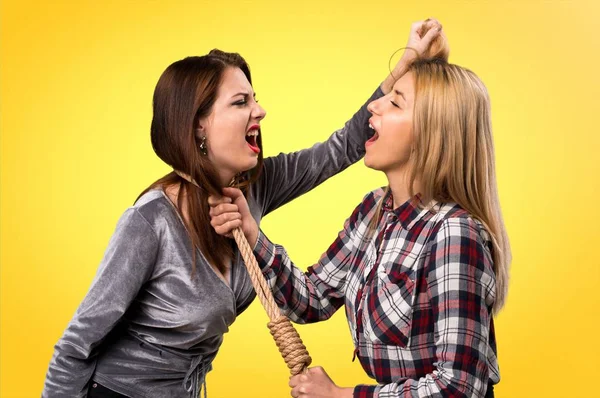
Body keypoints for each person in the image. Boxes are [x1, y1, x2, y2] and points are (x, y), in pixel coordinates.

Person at [42, 20, 444, 398]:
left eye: (256, 99)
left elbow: (339, 149)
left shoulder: (255, 188)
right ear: (198, 125)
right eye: (240, 102)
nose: (260, 111)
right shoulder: (150, 222)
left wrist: (407, 62)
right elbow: (77, 343)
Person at [209, 31, 510, 398]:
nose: (374, 107)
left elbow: (458, 388)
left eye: (395, 104)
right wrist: (253, 234)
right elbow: (312, 299)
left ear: (431, 133)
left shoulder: (454, 235)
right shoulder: (373, 211)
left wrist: (342, 395)